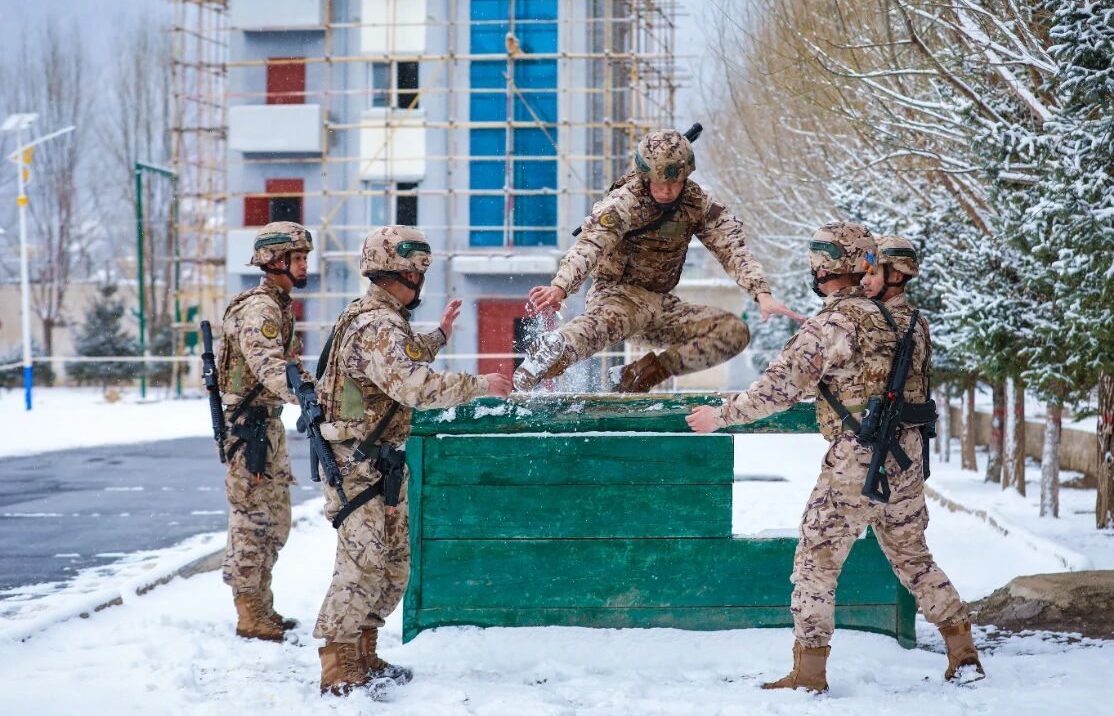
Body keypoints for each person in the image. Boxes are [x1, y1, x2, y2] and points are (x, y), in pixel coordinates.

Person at [686, 229, 985, 690]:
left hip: (858, 458)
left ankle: (809, 672)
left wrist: (720, 416)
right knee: (913, 557)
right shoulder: (904, 320)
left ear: (824, 266)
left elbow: (777, 390)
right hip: (907, 456)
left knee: (816, 560)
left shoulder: (833, 324)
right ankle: (962, 648)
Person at [312, 225, 512, 696]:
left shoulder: (381, 318)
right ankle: (338, 664)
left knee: (393, 562)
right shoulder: (377, 323)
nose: (421, 280)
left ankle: (364, 650)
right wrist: (480, 385)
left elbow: (398, 359)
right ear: (402, 274)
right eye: (418, 272)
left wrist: (439, 335)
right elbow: (413, 386)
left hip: (379, 461)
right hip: (357, 461)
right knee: (362, 562)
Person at [514, 128, 803, 393]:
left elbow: (732, 247)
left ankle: (638, 374)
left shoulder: (697, 203)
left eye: (675, 183)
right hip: (617, 295)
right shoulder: (624, 203)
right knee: (601, 325)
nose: (667, 190)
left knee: (732, 332)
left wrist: (761, 293)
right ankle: (551, 353)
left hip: (661, 305)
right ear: (645, 176)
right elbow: (590, 245)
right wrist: (560, 287)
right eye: (659, 183)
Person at [215, 221, 313, 642]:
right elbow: (270, 366)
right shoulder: (261, 310)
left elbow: (289, 365)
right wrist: (305, 397)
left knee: (273, 521)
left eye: (305, 257)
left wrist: (314, 391)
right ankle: (249, 613)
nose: (305, 265)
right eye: (298, 258)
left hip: (264, 424)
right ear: (274, 261)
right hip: (249, 428)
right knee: (252, 519)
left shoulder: (278, 306)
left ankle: (261, 605)